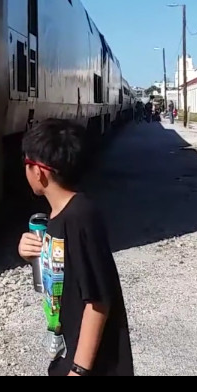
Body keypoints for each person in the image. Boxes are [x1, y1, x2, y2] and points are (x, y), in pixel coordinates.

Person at [16, 119, 134, 376]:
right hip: (66, 350)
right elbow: (65, 271)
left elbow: (99, 300)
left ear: (39, 172)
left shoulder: (80, 218)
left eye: (26, 164)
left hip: (93, 366)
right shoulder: (58, 218)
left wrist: (78, 370)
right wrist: (30, 254)